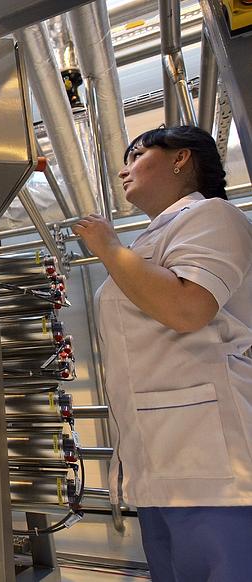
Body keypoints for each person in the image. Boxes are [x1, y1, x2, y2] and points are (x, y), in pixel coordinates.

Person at [73, 125, 252, 582]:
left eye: (136, 154)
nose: (123, 169)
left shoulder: (213, 216)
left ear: (181, 159)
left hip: (216, 471)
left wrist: (109, 247)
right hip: (159, 468)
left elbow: (187, 307)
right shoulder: (154, 240)